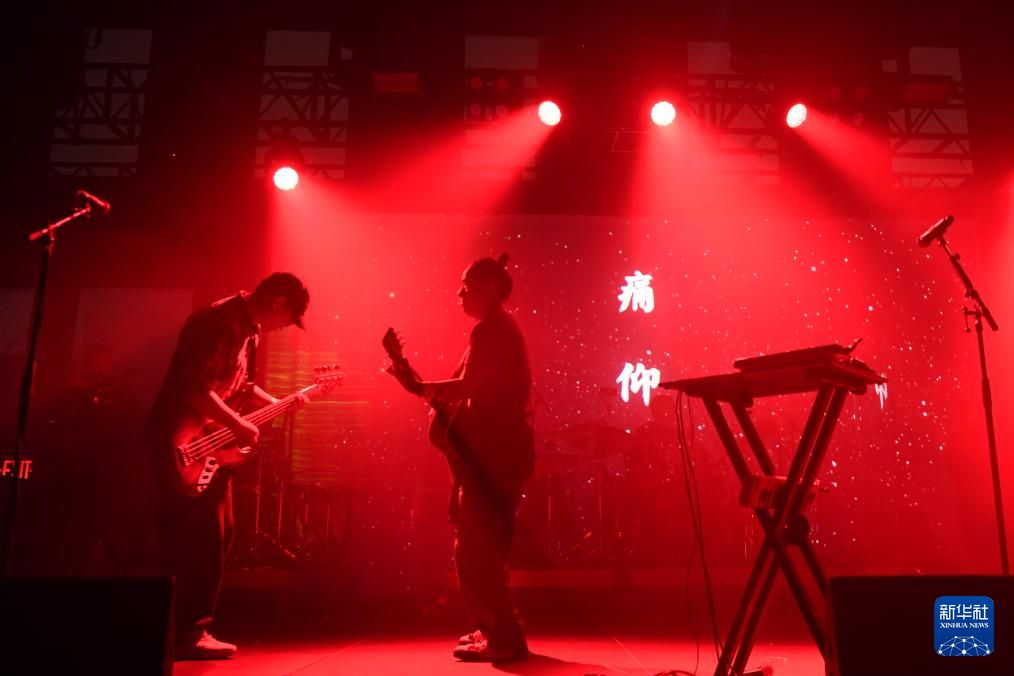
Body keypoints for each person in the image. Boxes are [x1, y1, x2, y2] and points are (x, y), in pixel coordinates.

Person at [142, 272, 309, 660]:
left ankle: (191, 629)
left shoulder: (249, 329)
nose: (284, 326)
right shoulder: (219, 321)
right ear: (278, 302)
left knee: (219, 532)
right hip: (182, 440)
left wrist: (277, 403)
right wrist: (237, 424)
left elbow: (240, 386)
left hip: (208, 443)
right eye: (288, 318)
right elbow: (194, 388)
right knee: (198, 537)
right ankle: (184, 633)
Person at [416, 253, 535, 663]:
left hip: (495, 459)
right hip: (489, 458)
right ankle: (493, 629)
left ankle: (504, 638)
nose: (459, 294)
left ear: (490, 289)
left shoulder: (494, 331)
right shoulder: (492, 331)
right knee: (473, 549)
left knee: (479, 550)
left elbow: (467, 386)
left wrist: (424, 387)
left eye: (466, 287)